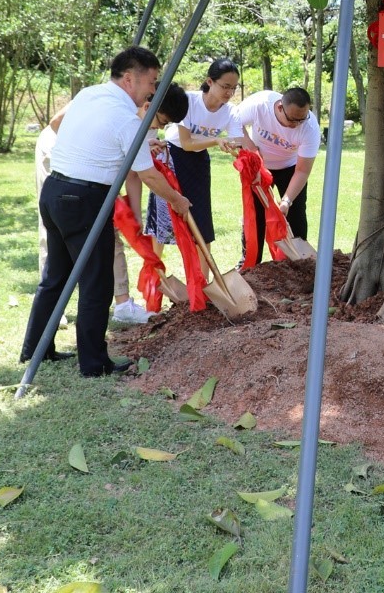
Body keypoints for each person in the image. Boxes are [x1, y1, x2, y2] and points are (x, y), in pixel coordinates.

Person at [20, 47, 193, 378]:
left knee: (55, 276)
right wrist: (178, 201)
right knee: (97, 283)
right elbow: (149, 176)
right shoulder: (127, 118)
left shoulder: (90, 94)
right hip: (84, 200)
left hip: (55, 191)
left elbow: (62, 125)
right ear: (129, 79)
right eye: (151, 82)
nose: (153, 91)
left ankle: (35, 349)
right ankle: (94, 363)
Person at [35, 89, 186, 325]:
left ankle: (123, 303)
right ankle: (53, 307)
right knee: (57, 234)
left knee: (110, 229)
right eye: (161, 121)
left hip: (100, 174)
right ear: (147, 105)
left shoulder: (145, 119)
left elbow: (135, 174)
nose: (158, 127)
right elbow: (56, 123)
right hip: (61, 161)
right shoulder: (103, 99)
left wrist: (134, 219)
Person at [145, 59, 241, 280]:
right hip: (171, 158)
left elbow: (238, 142)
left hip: (198, 163)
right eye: (225, 86)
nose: (230, 92)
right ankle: (155, 278)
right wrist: (216, 141)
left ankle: (203, 283)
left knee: (202, 222)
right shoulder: (189, 101)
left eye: (233, 88)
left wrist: (243, 153)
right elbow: (186, 143)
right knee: (164, 222)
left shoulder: (230, 112)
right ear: (210, 81)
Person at [233, 86, 321, 264]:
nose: (296, 124)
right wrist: (249, 146)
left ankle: (298, 262)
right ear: (280, 107)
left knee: (295, 214)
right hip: (259, 166)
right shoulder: (260, 104)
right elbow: (233, 121)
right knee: (255, 214)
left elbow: (303, 171)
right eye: (292, 119)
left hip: (290, 167)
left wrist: (286, 201)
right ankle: (250, 263)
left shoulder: (310, 128)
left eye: (301, 119)